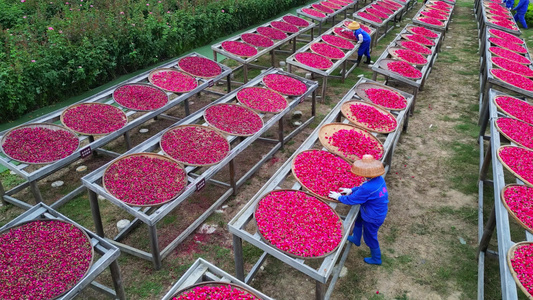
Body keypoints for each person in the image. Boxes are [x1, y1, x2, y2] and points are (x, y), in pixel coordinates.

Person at [328, 154, 388, 265]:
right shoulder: (378, 179)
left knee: (370, 236)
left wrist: (339, 197)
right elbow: (362, 187)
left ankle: (376, 258)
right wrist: (351, 190)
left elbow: (352, 200)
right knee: (359, 220)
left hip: (373, 216)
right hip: (370, 209)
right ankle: (356, 238)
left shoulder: (368, 187)